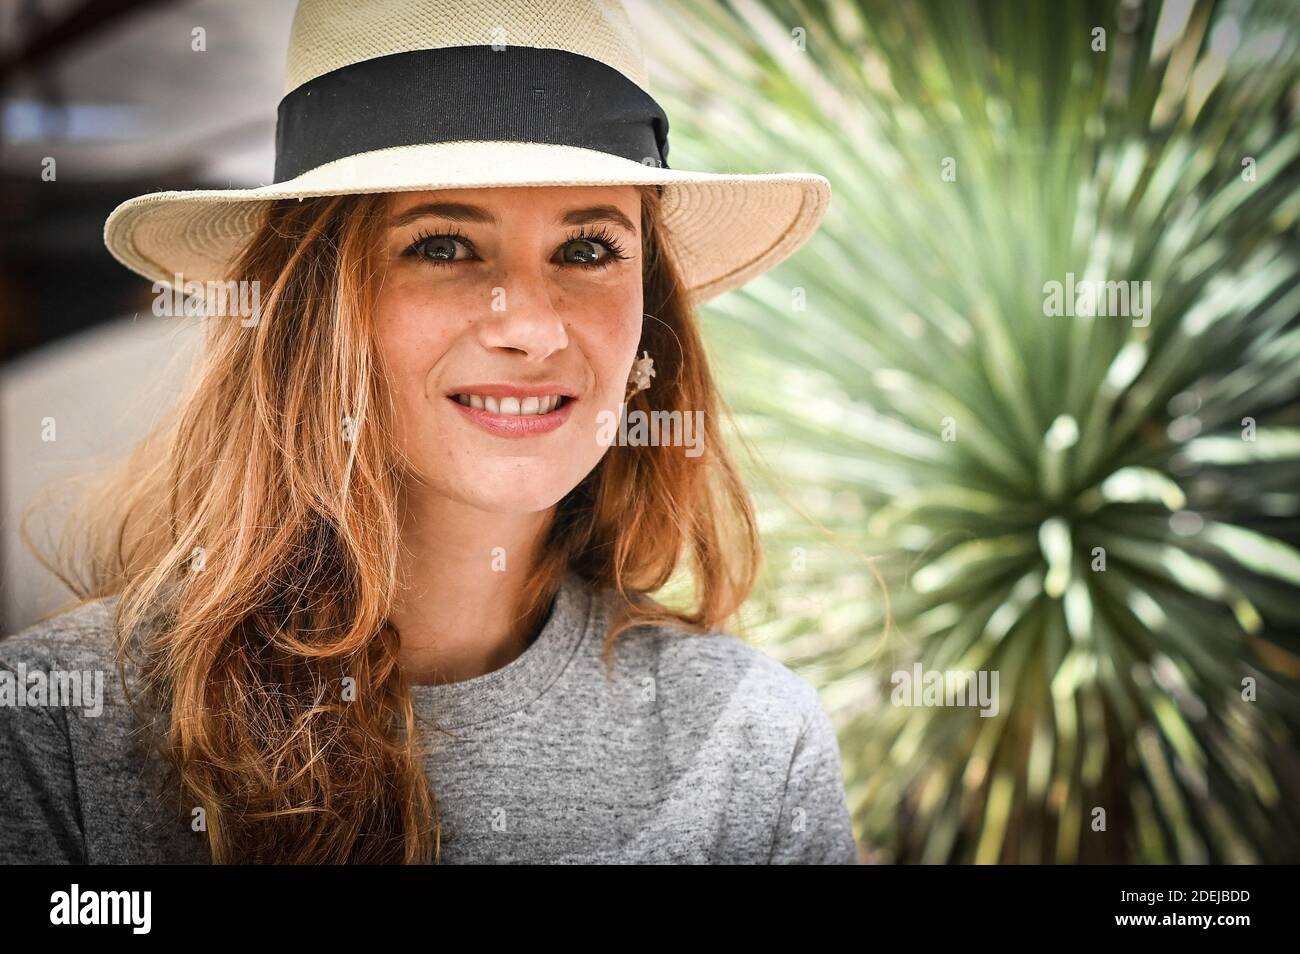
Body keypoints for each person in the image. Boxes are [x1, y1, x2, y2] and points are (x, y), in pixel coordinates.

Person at [0, 0, 854, 864]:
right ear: (312, 307)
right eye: (443, 246)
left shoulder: (753, 744)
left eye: (589, 249)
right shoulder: (61, 729)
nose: (531, 326)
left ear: (651, 307)